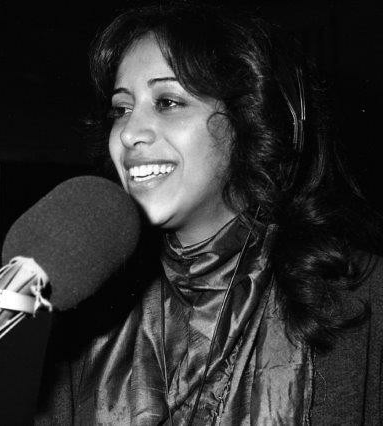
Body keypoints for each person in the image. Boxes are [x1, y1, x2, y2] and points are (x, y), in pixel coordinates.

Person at [35, 2, 382, 425]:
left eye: (167, 102)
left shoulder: (365, 295)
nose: (128, 133)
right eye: (121, 109)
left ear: (249, 121)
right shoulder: (90, 305)